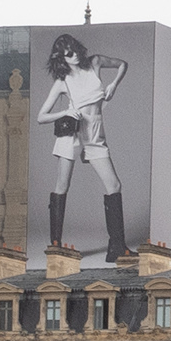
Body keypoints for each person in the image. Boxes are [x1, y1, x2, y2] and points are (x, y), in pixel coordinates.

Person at [36, 29, 131, 259]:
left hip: (95, 130)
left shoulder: (95, 62)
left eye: (74, 50)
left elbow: (123, 64)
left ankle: (117, 247)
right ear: (61, 58)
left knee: (114, 185)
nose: (74, 56)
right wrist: (66, 111)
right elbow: (41, 116)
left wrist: (114, 85)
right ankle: (56, 247)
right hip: (72, 133)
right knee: (62, 186)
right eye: (68, 54)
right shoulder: (62, 81)